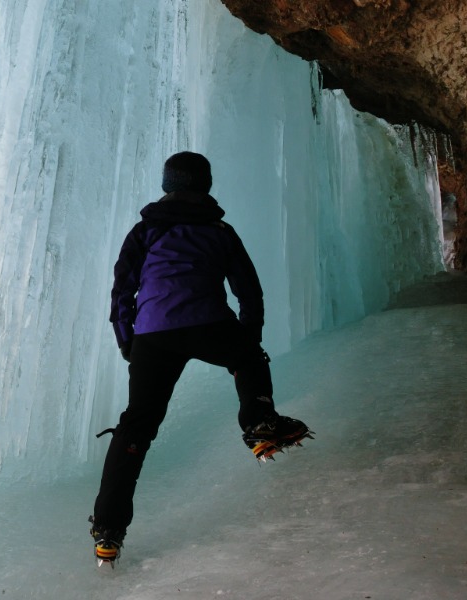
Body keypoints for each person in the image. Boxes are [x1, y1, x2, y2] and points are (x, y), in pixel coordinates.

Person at [89, 151, 311, 566]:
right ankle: (259, 422)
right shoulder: (220, 231)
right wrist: (249, 338)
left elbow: (122, 289)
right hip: (209, 322)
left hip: (153, 334)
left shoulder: (145, 232)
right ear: (205, 185)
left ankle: (108, 528)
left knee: (136, 426)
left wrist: (127, 340)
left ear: (166, 185)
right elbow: (249, 290)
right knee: (248, 360)